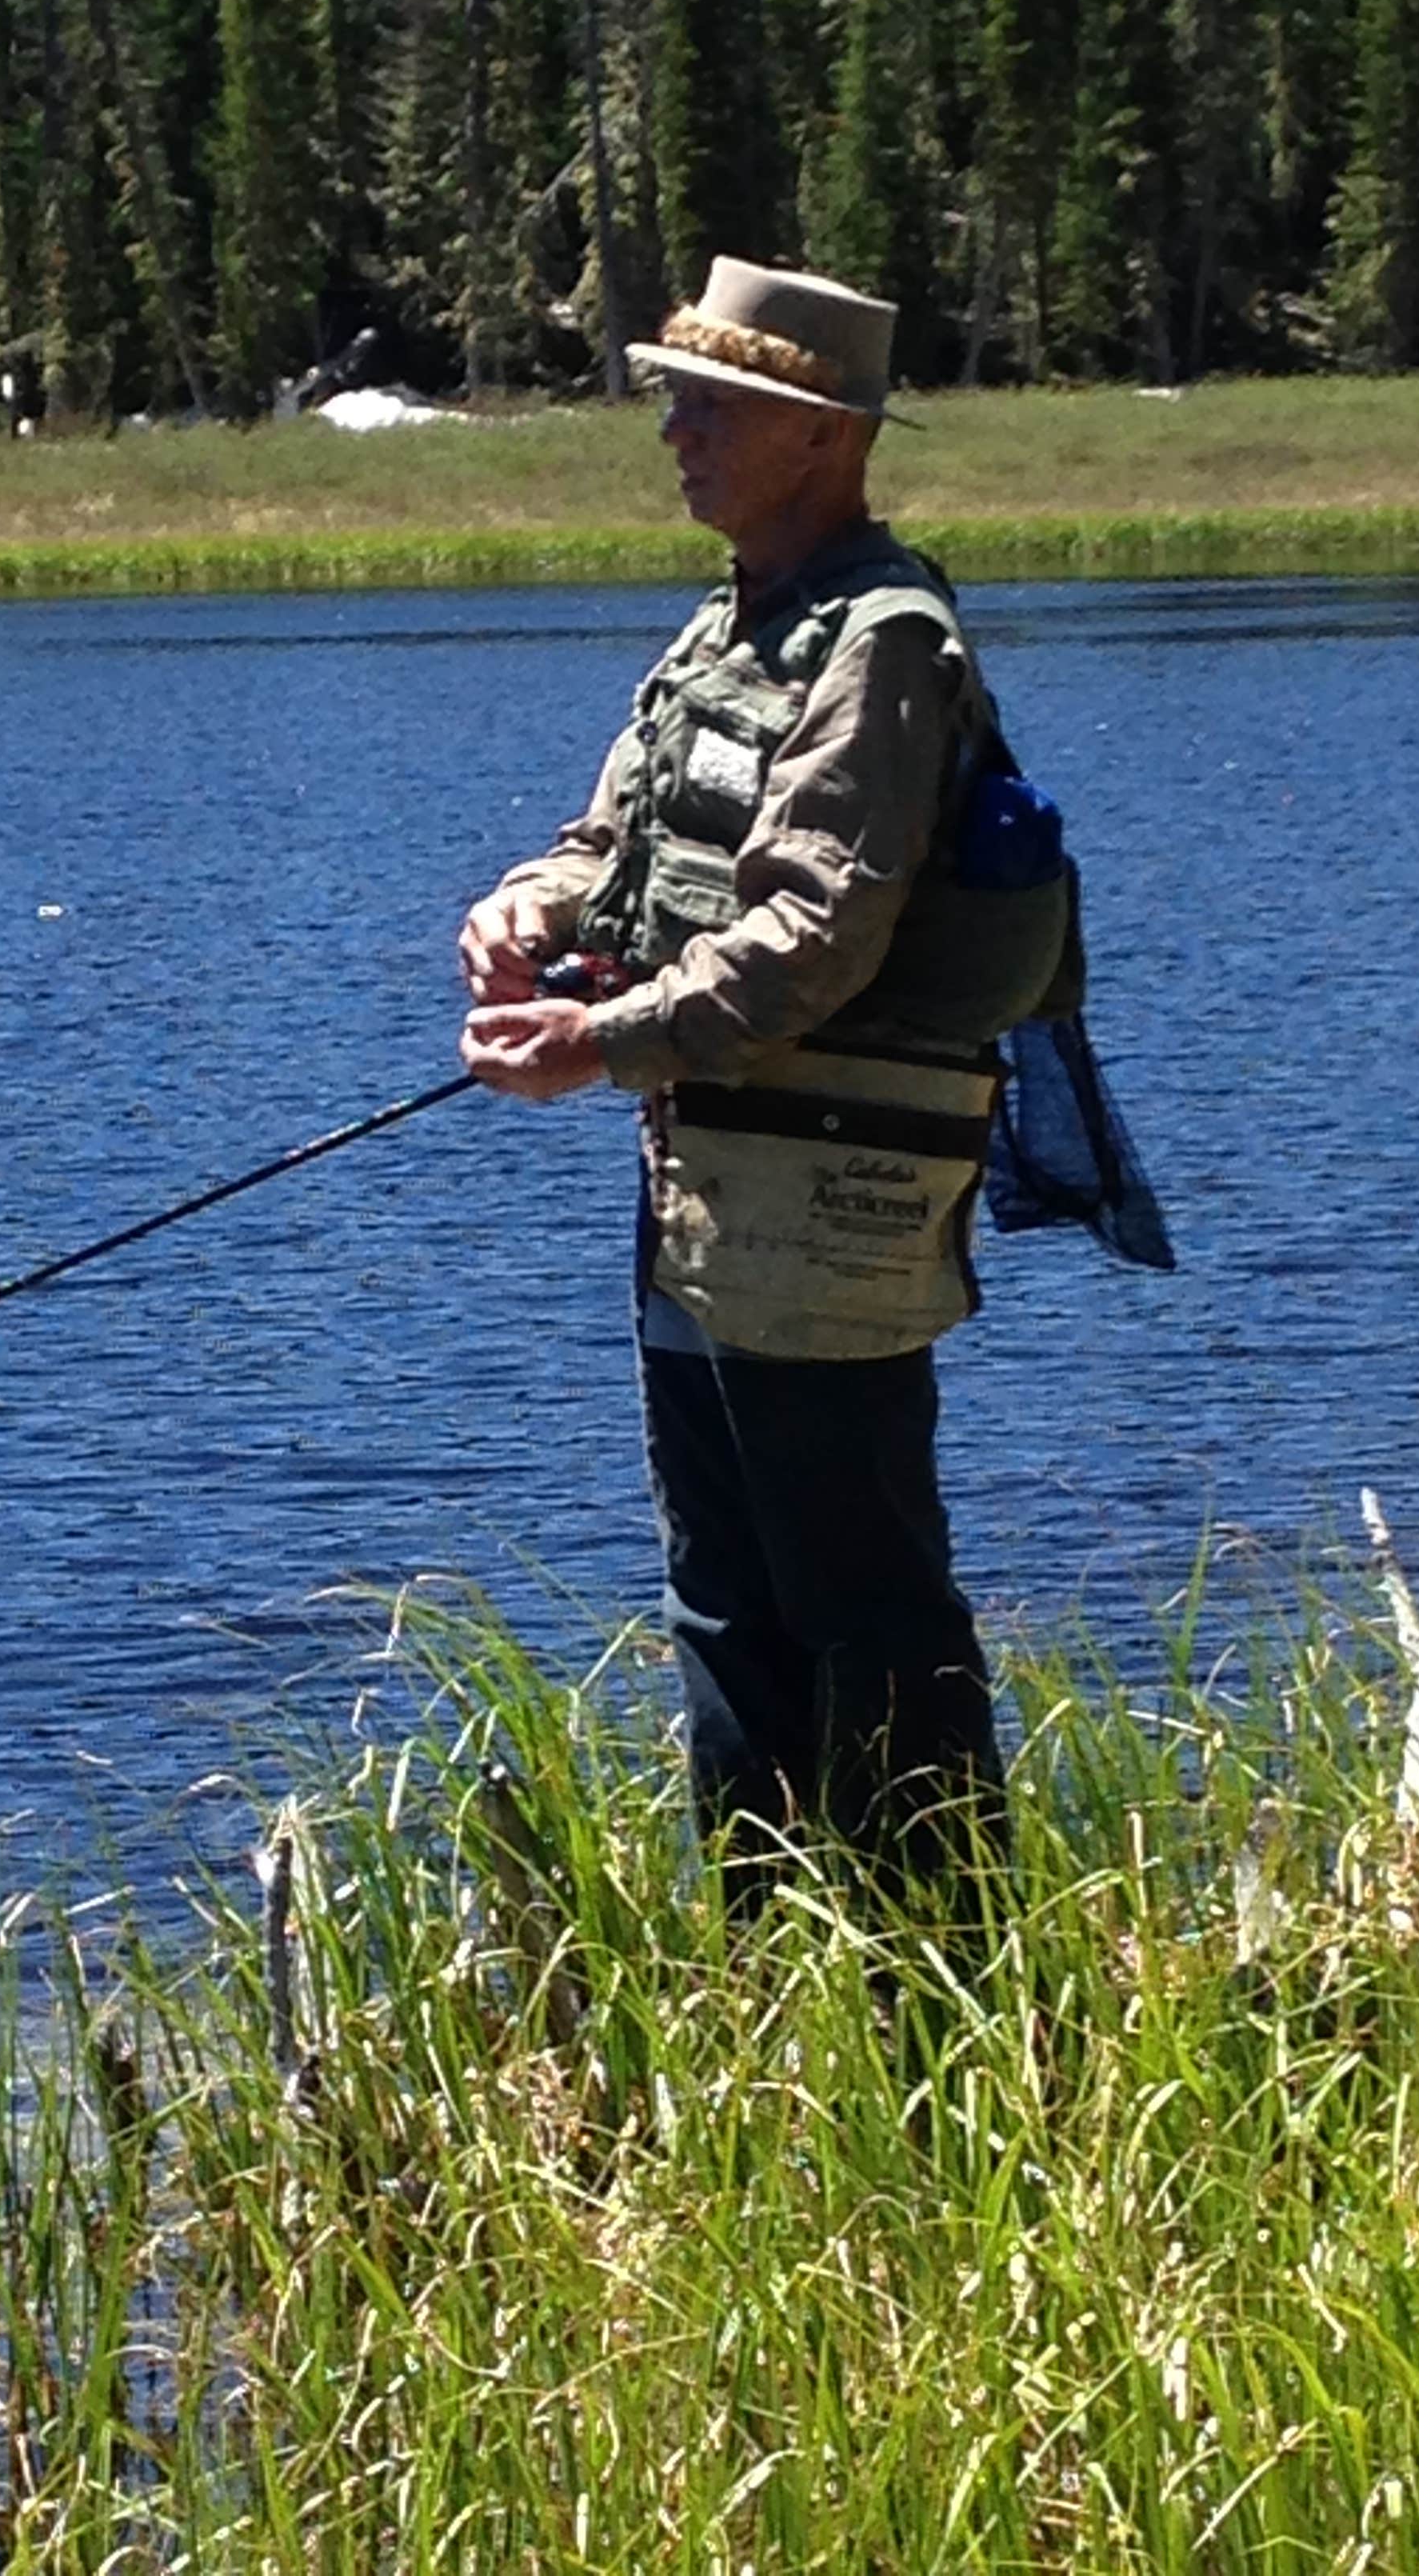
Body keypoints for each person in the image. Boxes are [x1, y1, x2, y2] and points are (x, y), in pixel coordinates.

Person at [458, 259, 1077, 1922]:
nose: (671, 429)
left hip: (838, 1203)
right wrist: (534, 907)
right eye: (676, 397)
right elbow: (615, 842)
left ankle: (941, 1983)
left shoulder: (881, 647)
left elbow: (813, 938)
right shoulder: (728, 624)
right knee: (725, 1607)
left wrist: (595, 1041)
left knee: (864, 1609)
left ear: (815, 432)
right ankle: (774, 1982)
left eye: (705, 402)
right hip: (705, 1184)